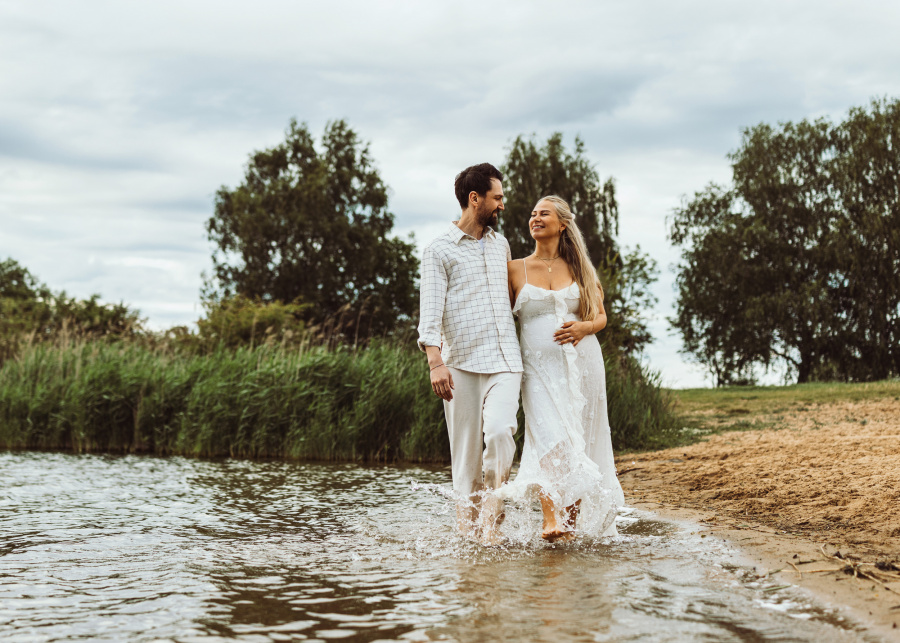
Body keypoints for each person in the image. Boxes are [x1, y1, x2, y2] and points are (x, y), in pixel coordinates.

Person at [500, 195, 624, 542]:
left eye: (544, 213)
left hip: (583, 365)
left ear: (563, 223)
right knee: (548, 437)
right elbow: (500, 318)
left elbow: (599, 317)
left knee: (577, 441)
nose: (535, 218)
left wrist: (583, 328)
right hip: (537, 369)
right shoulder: (515, 269)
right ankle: (550, 516)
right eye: (532, 213)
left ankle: (566, 522)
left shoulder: (581, 267)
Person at [417, 163, 523, 545]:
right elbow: (429, 312)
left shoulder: (501, 245)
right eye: (497, 198)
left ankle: (492, 524)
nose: (502, 205)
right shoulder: (438, 251)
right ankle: (467, 536)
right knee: (465, 458)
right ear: (474, 199)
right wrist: (435, 362)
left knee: (499, 434)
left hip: (506, 361)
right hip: (459, 364)